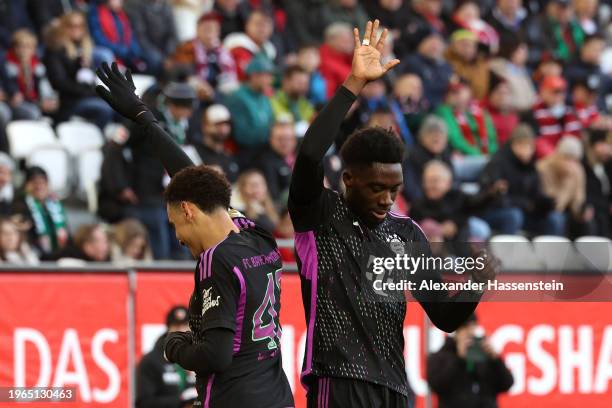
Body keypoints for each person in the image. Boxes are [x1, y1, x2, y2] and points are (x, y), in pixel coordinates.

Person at [288, 20, 497, 408]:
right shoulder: (319, 213)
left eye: (394, 190)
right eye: (376, 188)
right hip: (338, 380)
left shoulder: (407, 232)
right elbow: (310, 154)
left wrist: (474, 284)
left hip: (395, 387)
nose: (387, 199)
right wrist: (353, 83)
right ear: (348, 179)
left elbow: (445, 318)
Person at [95, 61, 294, 406]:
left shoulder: (216, 259)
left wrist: (175, 346)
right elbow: (194, 180)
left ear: (186, 210)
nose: (178, 237)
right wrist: (145, 118)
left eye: (174, 224)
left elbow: (216, 356)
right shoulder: (257, 235)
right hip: (277, 395)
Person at [479, 124, 563, 235]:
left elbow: (535, 194)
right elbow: (495, 197)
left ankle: (549, 252)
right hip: (497, 211)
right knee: (514, 215)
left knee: (555, 218)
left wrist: (546, 203)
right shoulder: (498, 162)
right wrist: (525, 204)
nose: (527, 150)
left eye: (530, 146)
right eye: (522, 145)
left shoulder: (531, 165)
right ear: (513, 144)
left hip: (524, 213)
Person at [44, 11, 115, 129]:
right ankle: (97, 143)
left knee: (122, 108)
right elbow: (59, 83)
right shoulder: (55, 50)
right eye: (72, 26)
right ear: (63, 27)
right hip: (68, 102)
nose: (77, 29)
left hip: (86, 96)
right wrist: (88, 91)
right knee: (104, 110)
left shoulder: (85, 49)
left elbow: (90, 78)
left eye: (81, 26)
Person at [427, 314, 514, 408]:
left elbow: (506, 384)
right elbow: (436, 385)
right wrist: (459, 359)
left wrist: (495, 360)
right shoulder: (441, 356)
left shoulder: (483, 355)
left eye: (473, 326)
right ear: (456, 331)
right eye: (465, 327)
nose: (470, 332)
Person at [410, 161, 498, 243]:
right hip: (436, 249)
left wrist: (491, 194)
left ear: (448, 183)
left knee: (480, 232)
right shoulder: (418, 205)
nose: (431, 185)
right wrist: (440, 230)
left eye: (435, 180)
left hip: (461, 240)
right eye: (427, 181)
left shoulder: (457, 196)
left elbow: (475, 206)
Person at [135, 305, 197, 408]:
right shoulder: (151, 360)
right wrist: (182, 400)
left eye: (185, 325)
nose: (181, 330)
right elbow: (143, 403)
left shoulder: (200, 358)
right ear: (168, 329)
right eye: (176, 326)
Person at [171, 11, 238, 99]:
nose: (211, 33)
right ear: (198, 29)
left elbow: (230, 76)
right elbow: (185, 74)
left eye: (215, 29)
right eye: (207, 29)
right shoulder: (188, 47)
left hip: (218, 93)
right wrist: (200, 85)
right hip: (194, 94)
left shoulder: (223, 52)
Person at [12, 166, 69, 257]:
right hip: (33, 255)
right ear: (26, 185)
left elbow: (66, 233)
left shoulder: (55, 205)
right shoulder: (19, 205)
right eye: (34, 183)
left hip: (58, 254)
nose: (39, 187)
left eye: (43, 182)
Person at [223, 55, 274, 152]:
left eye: (270, 76)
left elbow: (271, 121)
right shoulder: (237, 97)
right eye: (266, 76)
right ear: (254, 76)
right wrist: (272, 132)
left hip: (265, 150)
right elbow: (243, 136)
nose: (270, 80)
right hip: (246, 154)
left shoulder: (264, 97)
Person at [522, 75, 582, 158]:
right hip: (545, 159)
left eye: (561, 92)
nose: (558, 96)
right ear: (543, 92)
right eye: (554, 92)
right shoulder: (532, 113)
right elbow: (537, 141)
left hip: (568, 157)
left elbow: (575, 136)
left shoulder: (569, 113)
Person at [4, 29, 58, 120]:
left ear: (34, 49)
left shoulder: (38, 67)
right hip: (13, 103)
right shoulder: (7, 64)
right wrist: (12, 94)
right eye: (20, 46)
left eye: (28, 47)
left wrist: (48, 99)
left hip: (34, 102)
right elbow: (11, 87)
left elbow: (45, 87)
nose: (24, 50)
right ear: (14, 48)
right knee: (33, 113)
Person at [399, 26, 453, 107]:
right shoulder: (412, 62)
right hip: (421, 109)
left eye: (438, 43)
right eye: (431, 42)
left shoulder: (445, 65)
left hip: (444, 109)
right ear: (421, 43)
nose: (435, 47)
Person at [403, 116, 453, 203]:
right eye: (432, 133)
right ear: (422, 137)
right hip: (423, 205)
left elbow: (454, 181)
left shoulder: (445, 154)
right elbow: (411, 190)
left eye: (441, 134)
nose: (437, 137)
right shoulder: (412, 156)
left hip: (446, 203)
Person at [124, 0, 178, 74]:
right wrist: (161, 59)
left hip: (165, 51)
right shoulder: (136, 6)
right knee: (155, 62)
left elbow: (172, 34)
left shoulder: (166, 6)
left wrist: (169, 55)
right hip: (146, 49)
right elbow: (140, 36)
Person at [223, 9, 276, 80]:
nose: (262, 29)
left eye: (266, 25)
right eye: (258, 24)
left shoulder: (269, 50)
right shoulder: (237, 46)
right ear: (247, 25)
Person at [193, 104, 239, 183]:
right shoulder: (193, 152)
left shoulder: (228, 155)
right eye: (218, 124)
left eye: (226, 124)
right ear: (205, 126)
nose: (223, 128)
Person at [256, 119, 297, 205]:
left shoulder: (301, 157)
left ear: (295, 140)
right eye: (279, 139)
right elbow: (274, 196)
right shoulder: (265, 162)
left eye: (288, 139)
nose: (284, 142)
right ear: (271, 139)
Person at [583, 130, 612, 237]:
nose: (607, 149)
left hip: (605, 207)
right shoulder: (585, 164)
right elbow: (584, 191)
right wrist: (587, 205)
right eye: (603, 144)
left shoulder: (607, 165)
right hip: (592, 207)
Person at [270, 65, 314, 136]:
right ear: (286, 82)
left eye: (305, 83)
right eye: (299, 83)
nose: (303, 87)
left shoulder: (305, 104)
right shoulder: (273, 100)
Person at [231, 169, 280, 233]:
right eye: (253, 185)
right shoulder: (238, 212)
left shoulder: (271, 208)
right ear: (242, 188)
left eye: (261, 184)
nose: (258, 188)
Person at [319, 23, 355, 99]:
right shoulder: (324, 62)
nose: (351, 43)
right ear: (331, 40)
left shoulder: (350, 57)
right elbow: (328, 94)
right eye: (345, 41)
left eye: (351, 39)